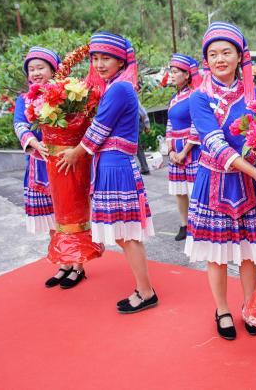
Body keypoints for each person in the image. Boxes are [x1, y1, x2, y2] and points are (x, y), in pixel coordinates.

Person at [185, 22, 256, 340]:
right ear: (206, 60)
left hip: (250, 184)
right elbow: (214, 142)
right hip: (215, 182)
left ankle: (250, 305)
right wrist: (255, 172)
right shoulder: (199, 99)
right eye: (213, 54)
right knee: (218, 253)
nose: (220, 59)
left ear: (240, 56)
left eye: (227, 52)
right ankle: (222, 308)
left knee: (250, 251)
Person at [57, 32, 158, 313]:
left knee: (126, 234)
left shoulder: (119, 89)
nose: (100, 64)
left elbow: (99, 128)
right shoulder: (117, 86)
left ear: (120, 60)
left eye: (106, 58)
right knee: (124, 234)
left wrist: (75, 153)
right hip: (111, 164)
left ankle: (146, 291)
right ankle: (144, 288)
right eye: (96, 58)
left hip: (115, 165)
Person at [13, 46, 68, 287]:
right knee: (51, 221)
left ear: (53, 70)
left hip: (64, 164)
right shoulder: (24, 100)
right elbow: (19, 124)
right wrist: (34, 142)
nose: (35, 73)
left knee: (69, 217)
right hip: (39, 165)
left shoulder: (67, 96)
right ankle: (63, 263)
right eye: (31, 69)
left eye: (40, 68)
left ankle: (77, 264)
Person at [165, 53, 201, 242]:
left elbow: (197, 124)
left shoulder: (195, 95)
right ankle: (184, 224)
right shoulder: (174, 97)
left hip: (193, 148)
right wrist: (171, 151)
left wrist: (184, 151)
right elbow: (169, 124)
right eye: (170, 71)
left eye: (175, 71)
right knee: (180, 190)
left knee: (194, 189)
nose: (171, 75)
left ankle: (198, 224)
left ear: (187, 75)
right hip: (176, 150)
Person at [136, 100, 150, 175]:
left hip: (137, 123)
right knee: (137, 147)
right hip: (135, 124)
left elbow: (143, 113)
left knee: (137, 147)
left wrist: (147, 125)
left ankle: (145, 168)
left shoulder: (131, 95)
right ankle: (144, 167)